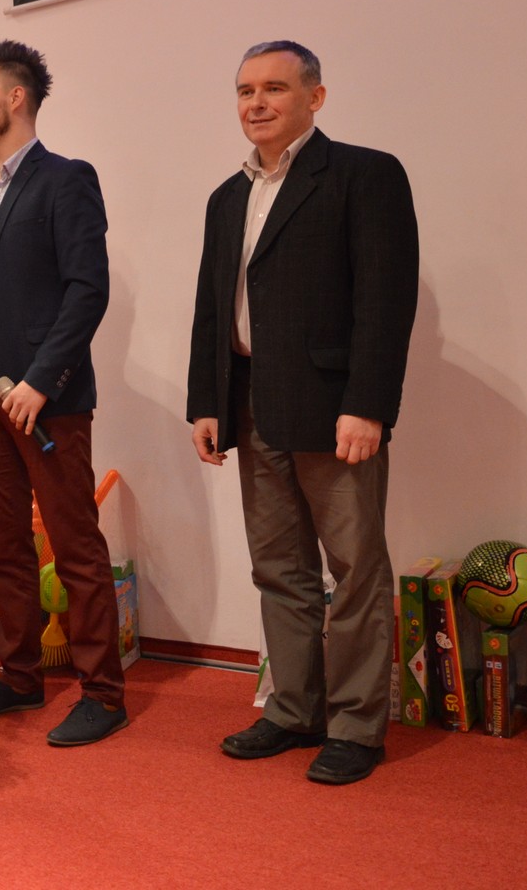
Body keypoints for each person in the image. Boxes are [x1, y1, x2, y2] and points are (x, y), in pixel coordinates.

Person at [187, 40, 418, 785]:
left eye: (275, 88)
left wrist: (367, 405)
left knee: (355, 570)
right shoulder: (227, 197)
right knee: (279, 570)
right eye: (245, 90)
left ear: (314, 98)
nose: (256, 103)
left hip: (333, 408)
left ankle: (355, 726)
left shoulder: (364, 175)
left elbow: (385, 299)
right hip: (252, 403)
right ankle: (293, 710)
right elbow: (212, 307)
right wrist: (206, 402)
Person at [0, 40, 127, 746]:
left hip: (48, 402)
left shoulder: (66, 180)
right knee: (4, 546)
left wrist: (41, 382)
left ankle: (103, 692)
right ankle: (19, 676)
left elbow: (87, 291)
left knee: (75, 546)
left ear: (14, 98)